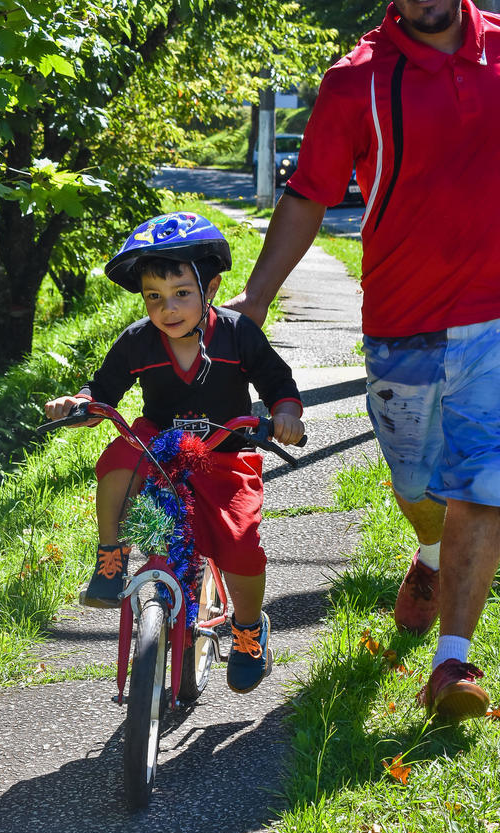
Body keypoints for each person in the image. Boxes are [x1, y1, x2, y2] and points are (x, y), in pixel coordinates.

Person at [226, 0, 500, 720]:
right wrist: (256, 300)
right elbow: (310, 192)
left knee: (484, 482)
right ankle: (433, 554)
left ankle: (452, 665)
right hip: (401, 325)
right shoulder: (358, 80)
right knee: (420, 487)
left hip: (493, 321)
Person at [44, 211, 305, 694]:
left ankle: (248, 630)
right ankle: (111, 556)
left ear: (211, 286)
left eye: (182, 293)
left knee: (242, 546)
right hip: (158, 443)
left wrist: (285, 414)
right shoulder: (137, 342)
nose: (168, 308)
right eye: (154, 297)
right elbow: (103, 390)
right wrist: (80, 403)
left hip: (227, 447)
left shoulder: (237, 333)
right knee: (118, 460)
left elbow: (277, 382)